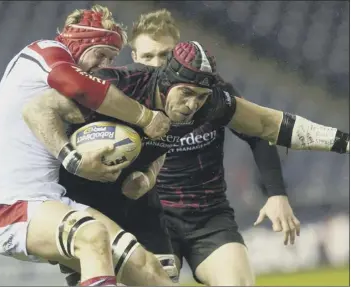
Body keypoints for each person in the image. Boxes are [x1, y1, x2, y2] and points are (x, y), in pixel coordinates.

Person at [25, 38, 349, 287]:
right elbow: (38, 110)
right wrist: (71, 157)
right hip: (82, 208)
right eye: (187, 93)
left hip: (154, 210)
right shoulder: (119, 85)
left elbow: (268, 125)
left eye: (201, 97)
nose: (193, 105)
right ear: (166, 81)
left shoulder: (211, 103)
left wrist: (345, 142)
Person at [0, 5, 174, 287]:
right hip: (9, 205)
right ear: (80, 43)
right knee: (92, 235)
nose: (104, 65)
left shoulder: (62, 89)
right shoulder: (42, 52)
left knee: (147, 267)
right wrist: (144, 117)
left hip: (50, 200)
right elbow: (79, 86)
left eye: (111, 58)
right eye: (101, 54)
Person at [128, 9, 304, 286]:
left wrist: (276, 194)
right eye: (147, 56)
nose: (156, 64)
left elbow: (258, 133)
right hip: (150, 221)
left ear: (179, 52)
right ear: (134, 58)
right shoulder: (124, 100)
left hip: (209, 219)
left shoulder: (213, 93)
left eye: (164, 55)